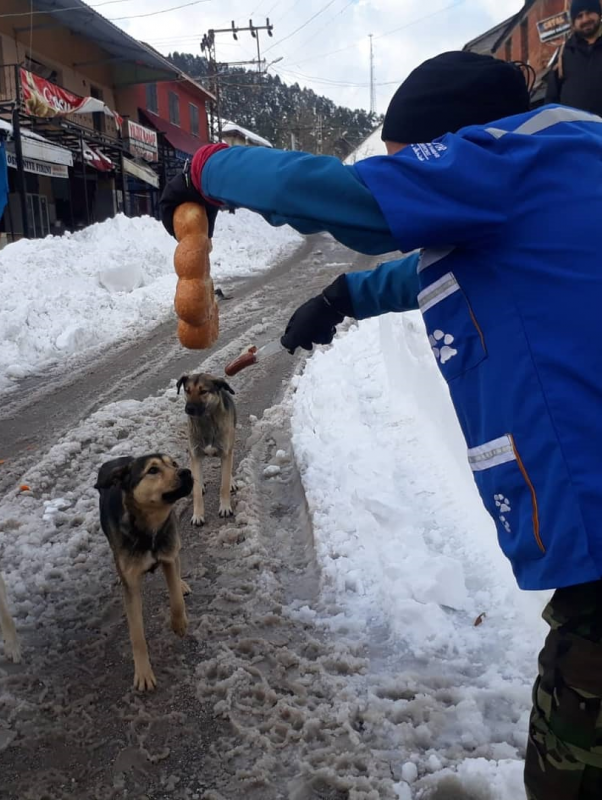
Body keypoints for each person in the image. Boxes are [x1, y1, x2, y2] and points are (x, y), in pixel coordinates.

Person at [159, 50, 602, 800]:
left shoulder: (505, 155)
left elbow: (339, 197)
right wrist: (348, 296)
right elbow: (466, 259)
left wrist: (208, 166)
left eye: (409, 165)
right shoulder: (564, 166)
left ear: (455, 146)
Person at [546, 0, 602, 116]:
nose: (585, 19)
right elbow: (551, 99)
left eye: (589, 12)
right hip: (576, 131)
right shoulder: (564, 54)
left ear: (599, 14)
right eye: (579, 16)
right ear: (573, 22)